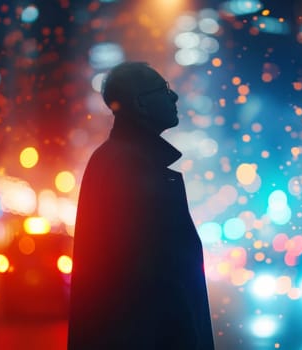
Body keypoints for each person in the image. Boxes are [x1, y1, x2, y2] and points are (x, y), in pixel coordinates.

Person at [67, 62, 215, 349]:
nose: (174, 98)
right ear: (141, 104)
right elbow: (152, 277)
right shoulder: (131, 166)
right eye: (164, 90)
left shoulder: (118, 159)